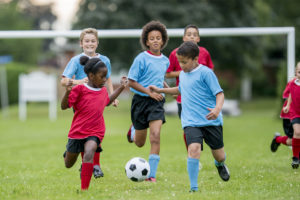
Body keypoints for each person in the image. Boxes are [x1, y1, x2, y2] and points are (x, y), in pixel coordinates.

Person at [150, 41, 230, 192]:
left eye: (184, 62)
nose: (181, 65)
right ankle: (194, 188)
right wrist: (160, 89)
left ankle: (219, 164)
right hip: (191, 121)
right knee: (193, 149)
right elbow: (180, 89)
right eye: (179, 62)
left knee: (220, 155)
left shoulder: (206, 73)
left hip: (210, 120)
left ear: (195, 59)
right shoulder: (183, 74)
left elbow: (219, 93)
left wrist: (217, 109)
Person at [61, 56, 128, 190]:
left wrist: (121, 88)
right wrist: (67, 93)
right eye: (102, 77)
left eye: (105, 77)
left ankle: (84, 190)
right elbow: (64, 106)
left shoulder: (102, 90)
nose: (105, 80)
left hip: (95, 131)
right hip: (77, 131)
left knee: (90, 152)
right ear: (91, 75)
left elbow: (107, 101)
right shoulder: (79, 90)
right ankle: (68, 152)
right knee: (68, 164)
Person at [61, 28, 118, 178]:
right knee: (84, 132)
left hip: (98, 98)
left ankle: (95, 165)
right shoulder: (75, 60)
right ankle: (79, 156)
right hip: (81, 101)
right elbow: (64, 80)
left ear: (97, 43)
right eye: (87, 41)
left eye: (93, 41)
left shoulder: (104, 60)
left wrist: (112, 95)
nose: (90, 43)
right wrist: (78, 81)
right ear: (81, 43)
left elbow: (109, 78)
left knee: (95, 131)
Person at [126, 20, 169, 182]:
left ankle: (151, 175)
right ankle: (133, 131)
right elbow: (131, 81)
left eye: (158, 38)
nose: (155, 40)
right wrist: (148, 92)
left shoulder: (165, 60)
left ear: (163, 41)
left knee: (156, 136)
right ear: (146, 42)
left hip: (157, 102)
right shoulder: (141, 59)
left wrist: (166, 90)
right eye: (152, 38)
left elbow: (159, 78)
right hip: (140, 101)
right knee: (139, 143)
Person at [270, 77, 296, 152]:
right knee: (292, 141)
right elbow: (287, 97)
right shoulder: (292, 83)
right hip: (290, 116)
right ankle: (277, 139)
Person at [283, 62, 300, 169]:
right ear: (296, 72)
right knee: (297, 132)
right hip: (295, 112)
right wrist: (288, 106)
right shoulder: (293, 83)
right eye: (299, 72)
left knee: (290, 141)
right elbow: (290, 94)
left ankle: (278, 139)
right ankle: (295, 158)